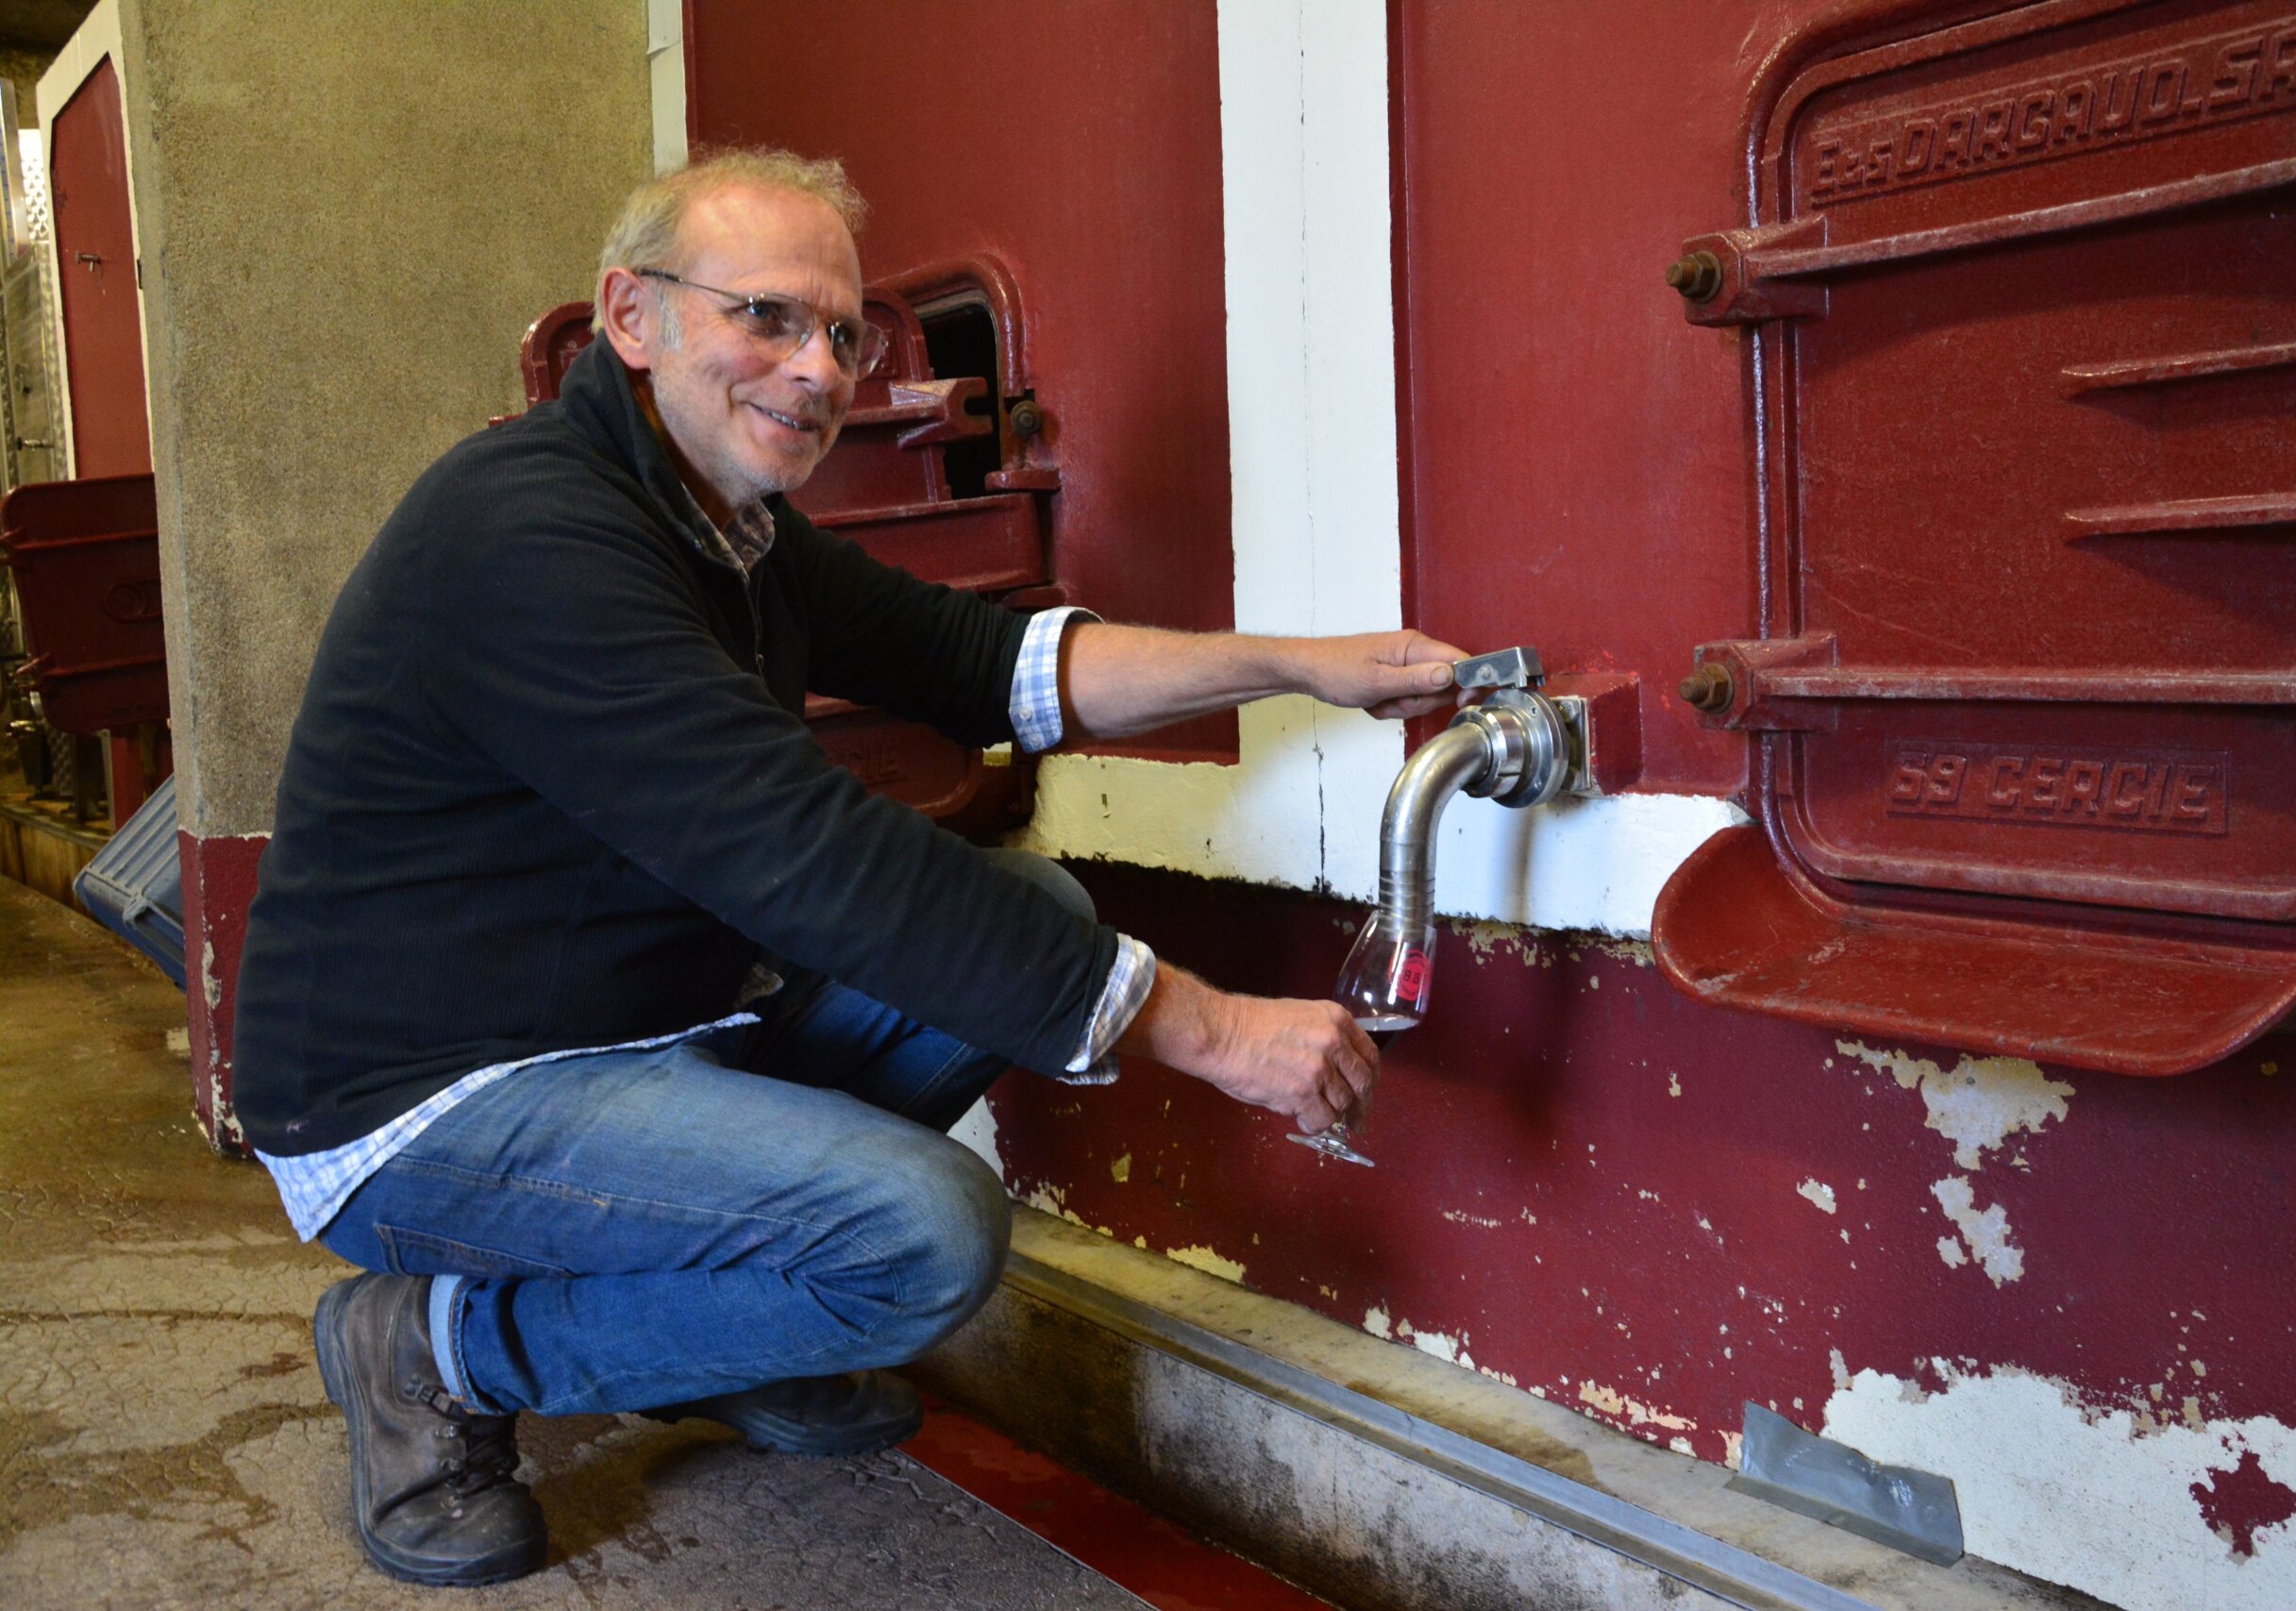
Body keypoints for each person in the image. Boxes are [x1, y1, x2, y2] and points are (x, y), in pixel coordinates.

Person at [231, 148, 1468, 1587]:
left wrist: (1299, 666)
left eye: (841, 334)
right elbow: (805, 858)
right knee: (921, 1238)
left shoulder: (727, 528)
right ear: (632, 315)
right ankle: (432, 1350)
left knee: (1035, 912)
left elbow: (984, 660)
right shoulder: (532, 534)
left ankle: (722, 1326)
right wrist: (1215, 1029)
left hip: (625, 1028)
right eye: (766, 317)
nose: (816, 370)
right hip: (423, 1100)